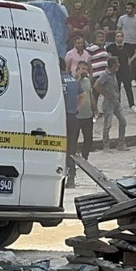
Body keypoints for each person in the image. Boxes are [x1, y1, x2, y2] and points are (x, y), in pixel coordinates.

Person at [94, 56, 128, 151]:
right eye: (117, 63)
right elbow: (96, 85)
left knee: (123, 121)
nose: (119, 65)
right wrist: (105, 94)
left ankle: (121, 143)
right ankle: (105, 145)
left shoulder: (114, 73)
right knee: (107, 124)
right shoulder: (105, 75)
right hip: (108, 103)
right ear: (113, 65)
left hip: (116, 102)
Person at [60, 59, 84, 188]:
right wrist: (76, 108)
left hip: (60, 119)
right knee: (71, 149)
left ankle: (60, 176)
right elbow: (83, 95)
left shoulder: (55, 81)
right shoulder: (73, 81)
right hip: (72, 117)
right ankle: (71, 179)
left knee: (59, 149)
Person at [107, 32, 136, 113]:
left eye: (121, 36)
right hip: (116, 70)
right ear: (115, 38)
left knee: (128, 87)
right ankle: (117, 105)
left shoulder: (127, 45)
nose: (120, 38)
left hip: (126, 69)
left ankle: (132, 105)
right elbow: (106, 54)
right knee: (117, 88)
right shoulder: (111, 47)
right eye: (118, 36)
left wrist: (131, 60)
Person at [74, 61, 97, 166]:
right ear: (77, 69)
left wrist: (95, 108)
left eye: (86, 69)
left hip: (87, 114)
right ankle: (73, 158)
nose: (84, 71)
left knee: (88, 138)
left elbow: (90, 94)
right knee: (74, 138)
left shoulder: (87, 81)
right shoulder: (73, 81)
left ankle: (85, 157)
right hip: (76, 115)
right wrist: (77, 78)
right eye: (82, 69)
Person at [117, 2, 136, 76]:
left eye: (129, 8)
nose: (127, 10)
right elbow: (118, 29)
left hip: (135, 43)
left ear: (133, 9)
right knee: (123, 61)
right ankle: (123, 77)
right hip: (125, 42)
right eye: (126, 8)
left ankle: (133, 78)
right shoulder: (122, 18)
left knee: (134, 62)